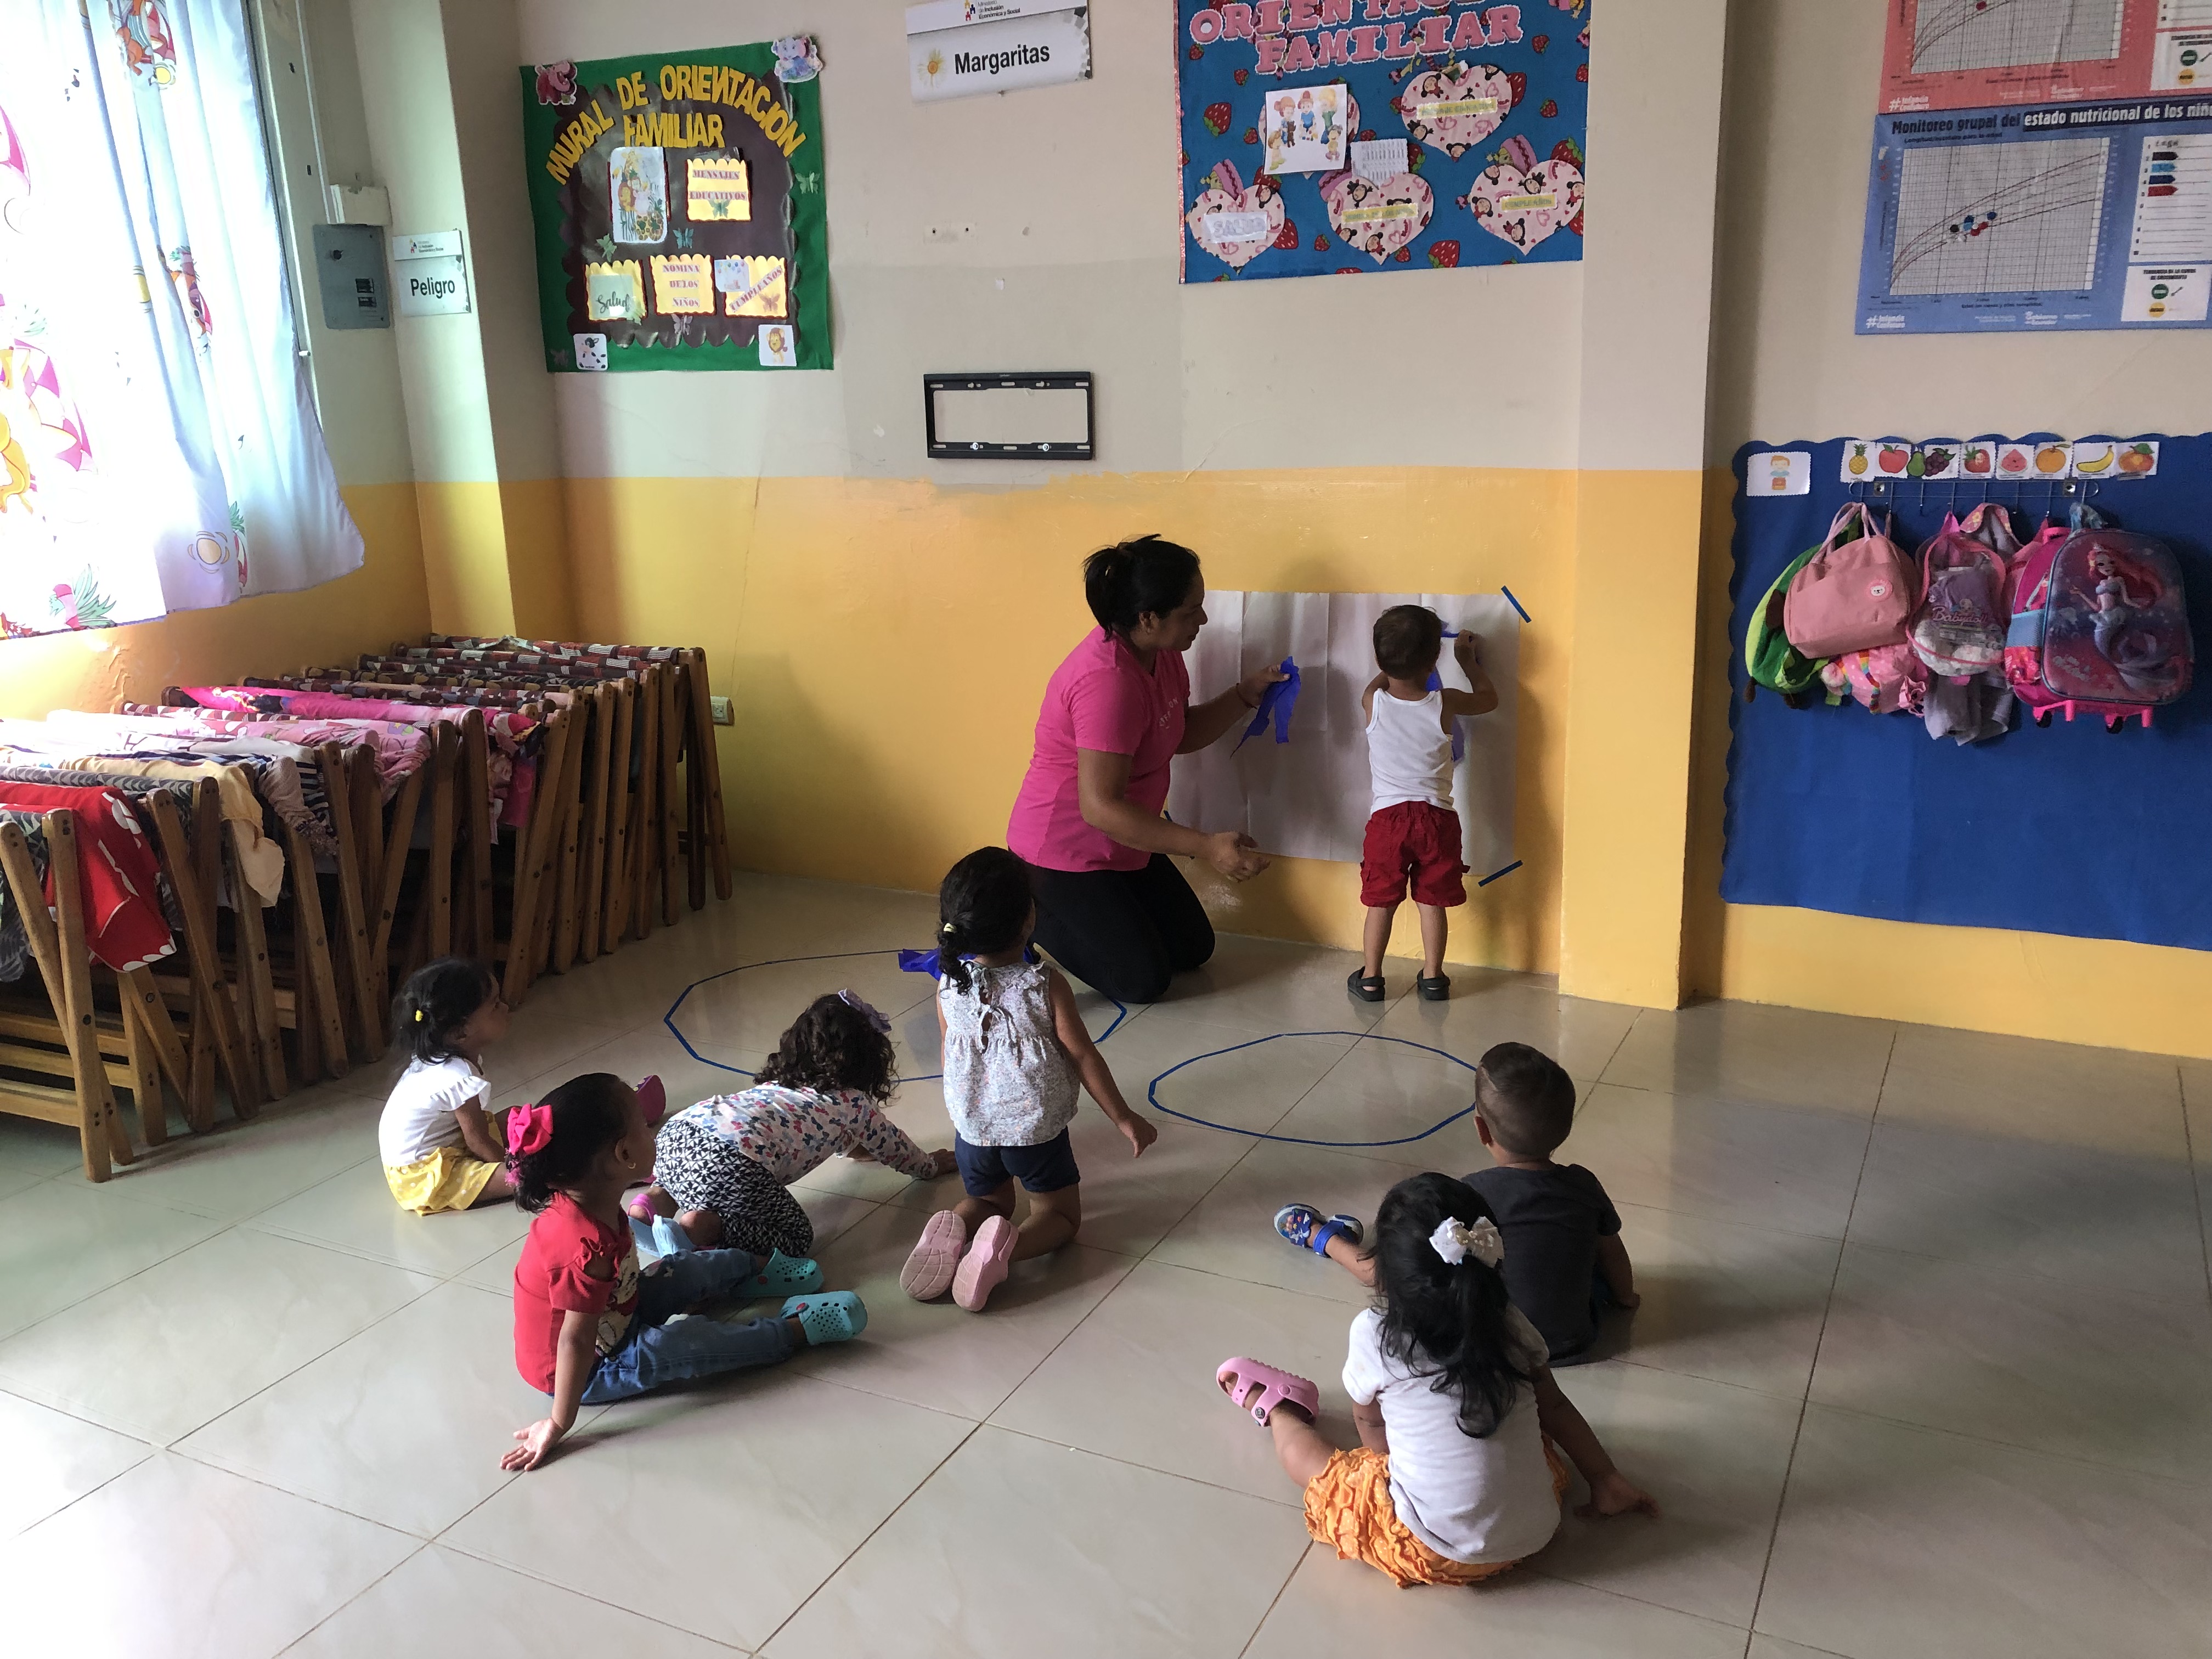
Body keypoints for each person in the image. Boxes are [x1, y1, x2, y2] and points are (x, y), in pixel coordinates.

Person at [1218, 1172, 1657, 1589]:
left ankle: (1279, 1407)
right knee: (1530, 1436)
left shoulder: (1375, 1333)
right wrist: (1605, 1477)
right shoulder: (1508, 1321)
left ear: (1385, 1275)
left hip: (1434, 1547)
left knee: (1322, 1472)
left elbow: (1369, 1422)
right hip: (1536, 1528)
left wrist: (1385, 1470)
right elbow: (1555, 1407)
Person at [502, 1072, 867, 1472]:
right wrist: (558, 1422)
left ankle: (755, 1272)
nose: (653, 1133)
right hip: (591, 1366)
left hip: (619, 1310)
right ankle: (795, 1331)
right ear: (624, 1155)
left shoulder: (591, 1201)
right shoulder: (584, 1249)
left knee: (684, 1268)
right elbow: (575, 1339)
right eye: (644, 1126)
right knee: (686, 1344)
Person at [1007, 534, 1286, 1005]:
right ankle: (1028, 909)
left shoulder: (1164, 656)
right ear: (1148, 618)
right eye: (1191, 611)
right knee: (1142, 981)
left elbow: (1177, 733)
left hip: (1123, 838)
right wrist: (1206, 846)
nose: (1202, 620)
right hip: (1063, 850)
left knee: (1192, 948)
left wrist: (1244, 696)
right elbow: (1100, 808)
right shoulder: (1106, 683)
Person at [900, 847, 1158, 1311]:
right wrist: (1124, 1118)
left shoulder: (947, 984)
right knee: (1060, 1216)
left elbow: (949, 1054)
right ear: (1028, 920)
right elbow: (1083, 1056)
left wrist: (965, 1111)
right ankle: (1001, 1254)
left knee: (990, 1202)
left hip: (972, 1130)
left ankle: (956, 1229)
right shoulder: (1043, 986)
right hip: (1033, 1134)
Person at [1273, 1041, 1635, 1364]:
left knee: (1403, 1268)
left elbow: (1396, 1276)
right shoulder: (1583, 1183)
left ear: (1481, 1129)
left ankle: (1323, 1237)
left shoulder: (1470, 1194)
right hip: (1576, 1341)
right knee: (1584, 1252)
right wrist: (1626, 1298)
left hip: (1494, 1346)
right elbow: (1613, 1251)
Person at [625, 991, 957, 1267]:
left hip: (680, 1132)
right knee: (796, 1237)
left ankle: (646, 1209)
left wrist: (856, 1149)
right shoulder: (854, 1104)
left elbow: (839, 1138)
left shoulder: (780, 1084)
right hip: (732, 1161)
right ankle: (701, 1228)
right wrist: (928, 1166)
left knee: (675, 1182)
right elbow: (893, 1147)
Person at [1350, 605, 1497, 1003]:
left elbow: (1383, 679)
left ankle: (1371, 978)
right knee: (1432, 901)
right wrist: (1466, 662)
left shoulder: (1372, 700)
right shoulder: (1444, 703)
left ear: (1379, 659)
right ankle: (1433, 979)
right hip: (1437, 819)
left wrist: (1388, 665)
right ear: (1435, 659)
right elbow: (1489, 699)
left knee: (1381, 902)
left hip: (1388, 822)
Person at [377, 958, 513, 1215]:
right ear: (461, 1033)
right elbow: (478, 1140)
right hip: (422, 1176)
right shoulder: (455, 1077)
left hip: (443, 1151)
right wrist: (510, 1167)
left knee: (516, 1118)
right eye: (495, 1006)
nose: (505, 1008)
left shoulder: (440, 1058)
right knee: (522, 1179)